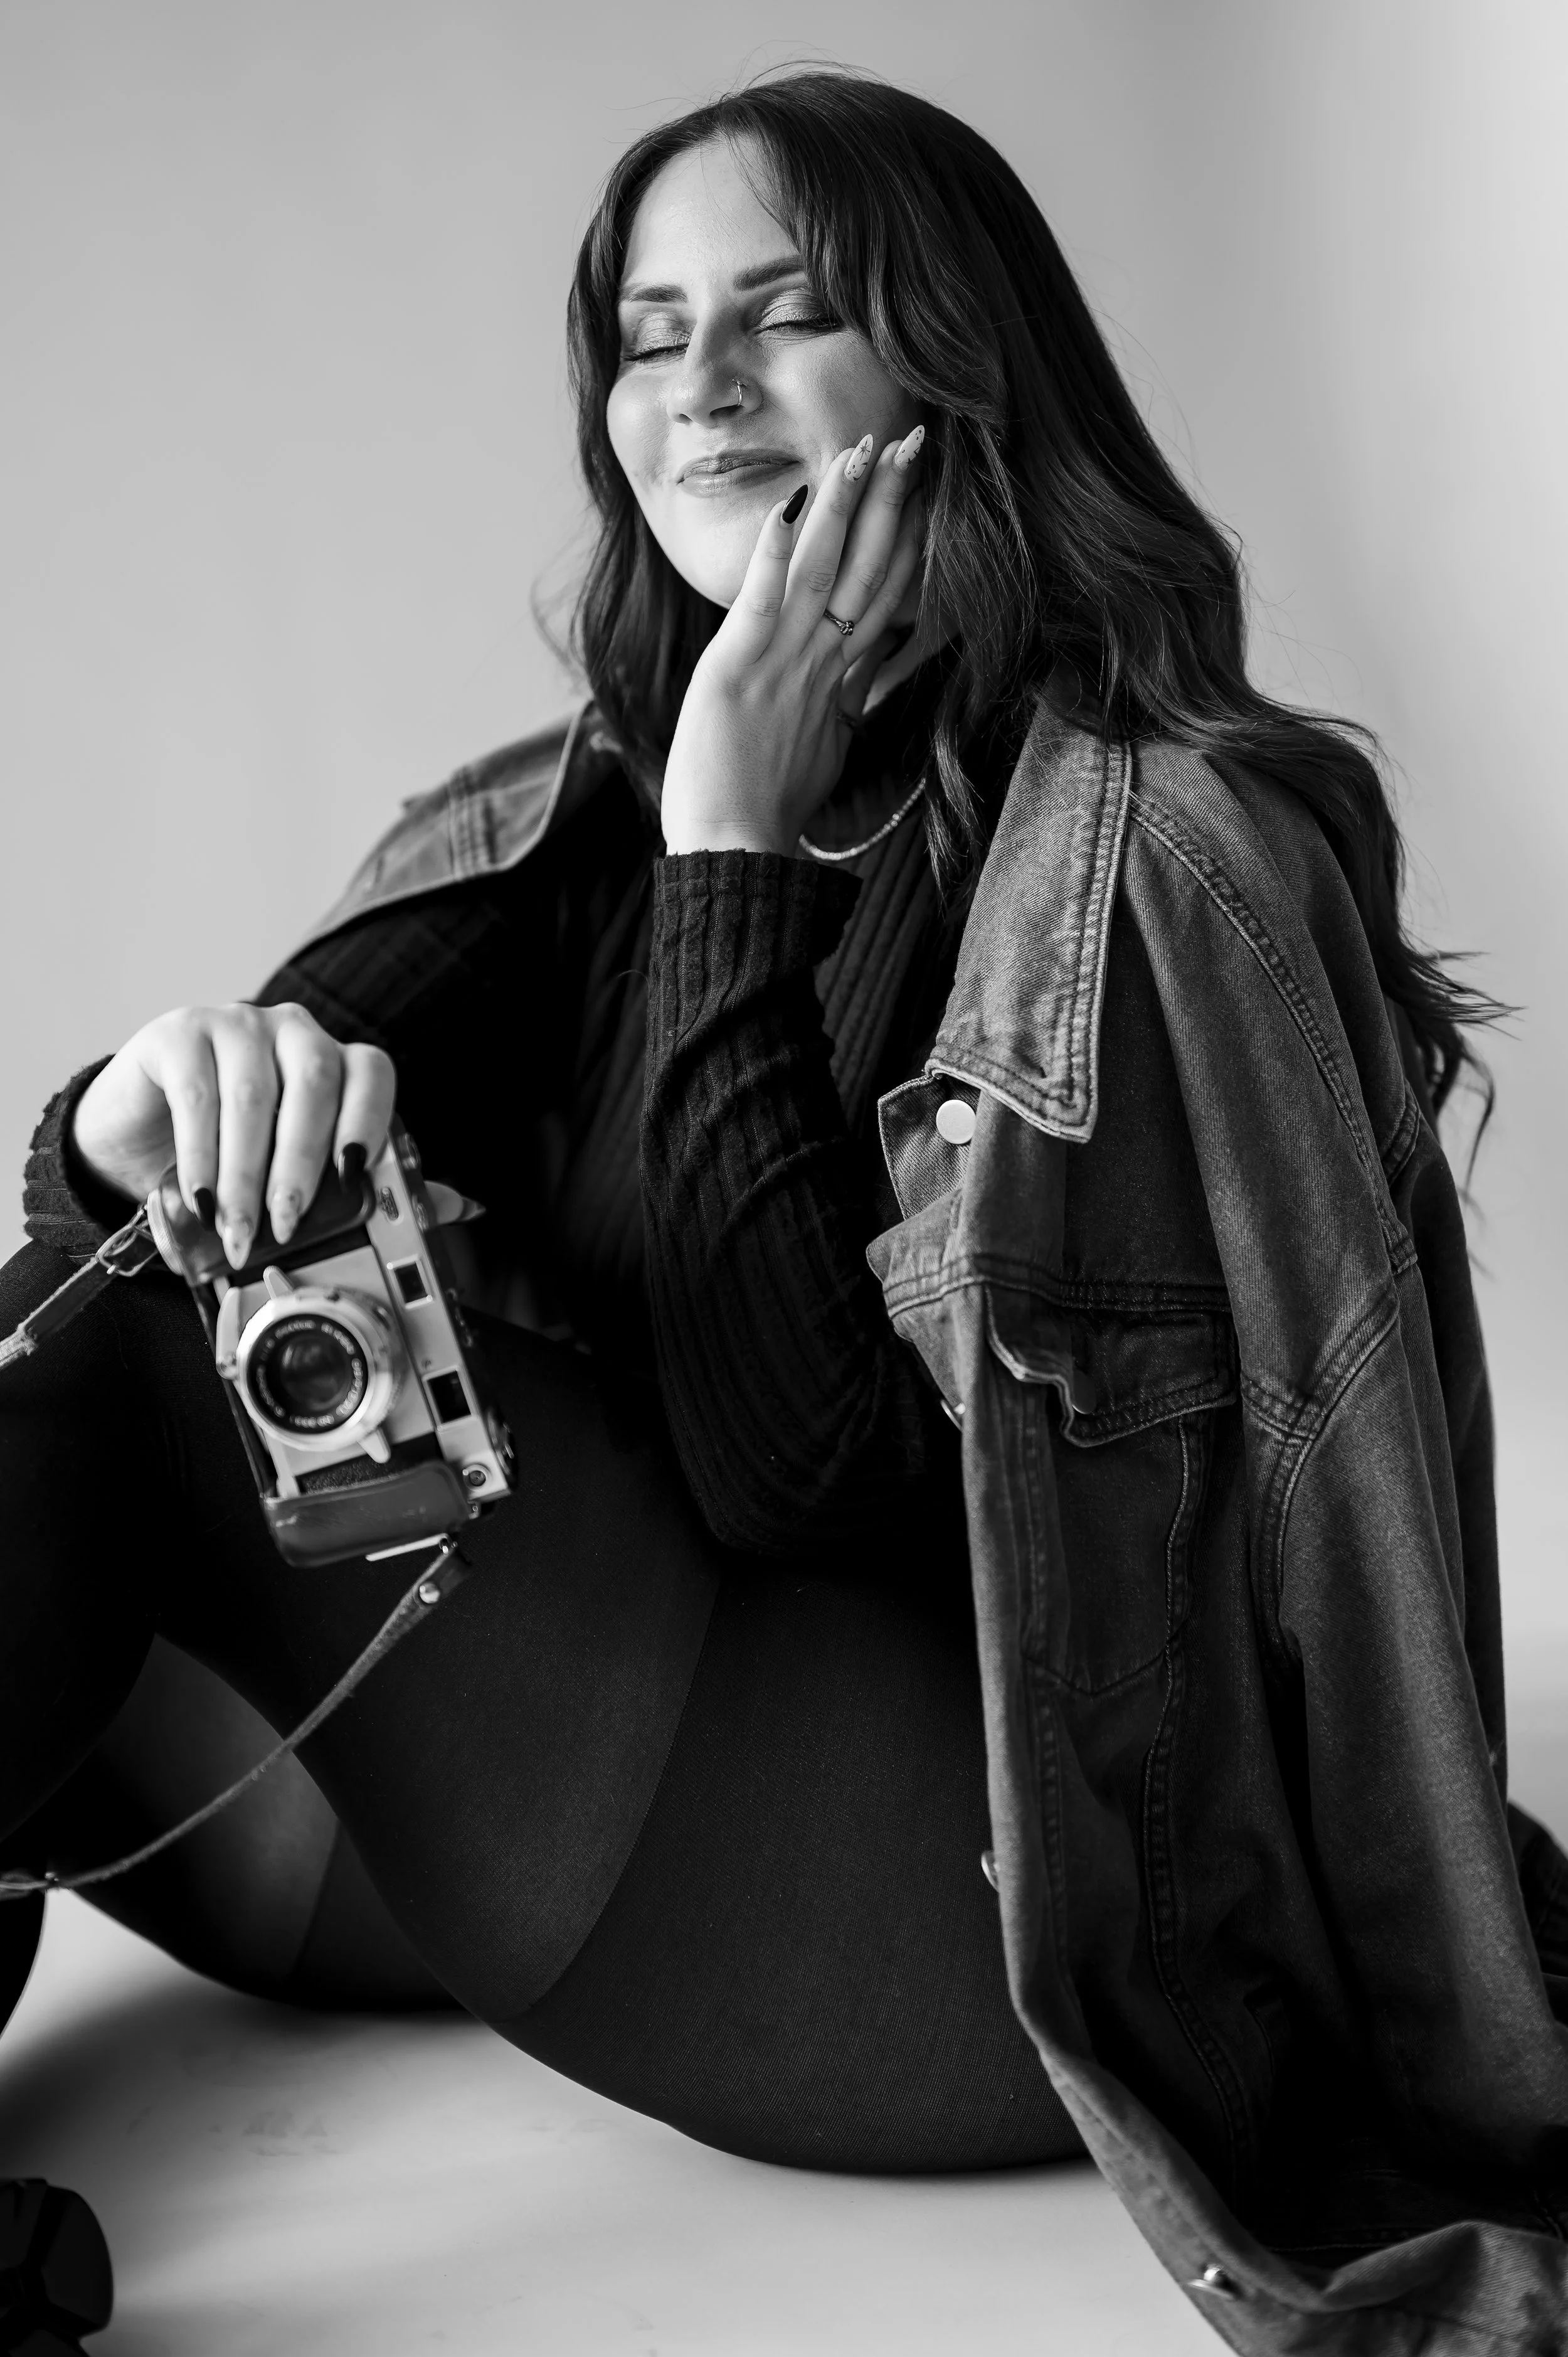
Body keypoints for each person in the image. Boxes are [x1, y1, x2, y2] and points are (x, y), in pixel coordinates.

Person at [1, 67, 1563, 2357]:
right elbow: (199, 1192)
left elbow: (804, 1477)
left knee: (133, 1339)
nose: (699, 390)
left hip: (939, 1907)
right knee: (139, 1278)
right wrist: (138, 1114)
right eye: (647, 332)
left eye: (786, 310)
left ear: (955, 360)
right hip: (536, 1831)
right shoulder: (558, 821)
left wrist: (734, 843)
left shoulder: (1166, 851)